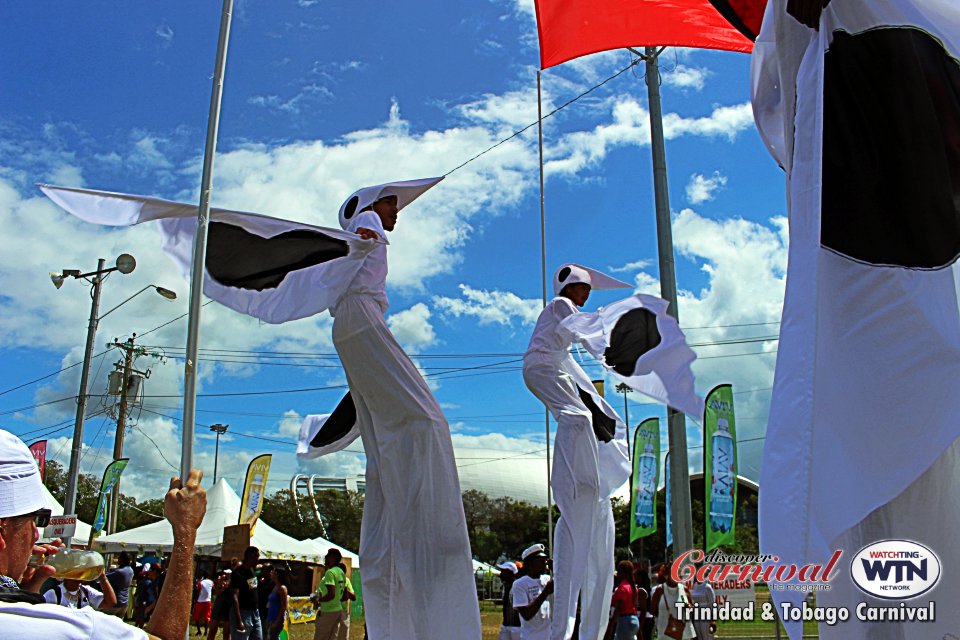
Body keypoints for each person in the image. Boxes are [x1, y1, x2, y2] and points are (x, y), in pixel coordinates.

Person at [329, 179, 482, 639]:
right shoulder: (367, 221)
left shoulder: (363, 230)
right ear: (375, 202)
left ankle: (394, 608)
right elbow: (359, 241)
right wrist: (365, 237)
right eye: (393, 204)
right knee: (428, 423)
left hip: (353, 324)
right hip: (361, 320)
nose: (396, 213)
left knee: (384, 456)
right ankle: (432, 550)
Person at [0, 428, 207, 640]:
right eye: (34, 520)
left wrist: (23, 596)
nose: (36, 534)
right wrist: (185, 531)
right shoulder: (75, 629)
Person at [522, 264, 631, 640]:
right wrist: (612, 353)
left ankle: (583, 472)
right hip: (539, 369)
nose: (585, 294)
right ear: (569, 287)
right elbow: (586, 333)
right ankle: (572, 475)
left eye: (588, 289)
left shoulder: (566, 313)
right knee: (577, 419)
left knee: (586, 415)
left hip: (552, 369)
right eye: (582, 288)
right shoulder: (559, 306)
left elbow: (580, 350)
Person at [512, 544, 553, 640]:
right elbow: (527, 614)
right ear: (530, 563)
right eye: (540, 559)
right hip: (531, 637)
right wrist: (545, 592)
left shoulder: (547, 579)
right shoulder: (520, 584)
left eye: (545, 559)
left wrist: (555, 570)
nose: (545, 562)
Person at [650, 565, 694, 640]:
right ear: (666, 575)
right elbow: (653, 611)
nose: (679, 576)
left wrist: (688, 607)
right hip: (665, 631)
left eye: (679, 573)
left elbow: (691, 609)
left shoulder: (684, 589)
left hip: (682, 631)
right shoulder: (660, 590)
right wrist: (666, 615)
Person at [229, 546, 262, 640]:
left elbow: (253, 589)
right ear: (250, 557)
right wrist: (239, 620)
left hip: (255, 612)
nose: (258, 559)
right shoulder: (238, 573)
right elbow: (234, 596)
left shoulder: (252, 571)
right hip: (243, 613)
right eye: (257, 556)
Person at [312, 549, 346, 640]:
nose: (326, 557)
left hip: (328, 611)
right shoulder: (341, 572)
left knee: (320, 637)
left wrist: (319, 600)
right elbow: (342, 593)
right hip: (338, 610)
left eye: (328, 555)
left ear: (333, 558)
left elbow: (331, 594)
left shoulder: (330, 573)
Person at [43, 571, 117, 610]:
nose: (79, 579)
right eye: (75, 575)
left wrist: (103, 578)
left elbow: (110, 603)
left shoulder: (86, 591)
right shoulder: (54, 593)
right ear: (66, 576)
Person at [608, 561, 639, 640]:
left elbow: (619, 607)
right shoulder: (633, 587)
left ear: (623, 572)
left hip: (624, 621)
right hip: (634, 619)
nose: (617, 573)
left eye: (619, 570)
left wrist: (611, 625)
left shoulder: (622, 587)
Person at [497, 561, 522, 640]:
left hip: (517, 627)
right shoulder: (505, 587)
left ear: (512, 573)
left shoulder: (518, 587)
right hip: (506, 626)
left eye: (504, 572)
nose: (501, 575)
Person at [105, 551, 134, 617]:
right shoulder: (130, 570)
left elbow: (104, 577)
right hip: (124, 602)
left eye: (119, 557)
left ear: (122, 559)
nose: (118, 559)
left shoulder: (118, 572)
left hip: (115, 602)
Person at [688, 573, 716, 640]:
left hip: (706, 614)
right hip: (697, 615)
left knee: (706, 635)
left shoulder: (707, 587)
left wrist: (713, 620)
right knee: (699, 636)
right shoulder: (695, 586)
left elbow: (713, 603)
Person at [208, 570, 233, 640]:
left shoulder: (234, 581)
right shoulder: (221, 581)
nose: (226, 575)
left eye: (228, 573)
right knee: (212, 630)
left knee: (226, 632)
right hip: (219, 605)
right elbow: (216, 593)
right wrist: (221, 585)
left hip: (228, 606)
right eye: (225, 573)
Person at [265, 568, 288, 640]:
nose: (271, 573)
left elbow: (284, 606)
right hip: (270, 618)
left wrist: (277, 621)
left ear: (277, 575)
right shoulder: (275, 587)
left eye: (273, 572)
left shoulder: (282, 588)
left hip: (276, 619)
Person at [193, 569, 215, 636]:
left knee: (196, 617)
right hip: (208, 601)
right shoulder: (211, 582)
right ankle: (206, 632)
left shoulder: (200, 582)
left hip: (200, 601)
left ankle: (199, 631)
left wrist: (195, 600)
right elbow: (213, 589)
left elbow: (198, 591)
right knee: (207, 617)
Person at [634, 566, 653, 640]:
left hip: (644, 620)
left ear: (640, 577)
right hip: (647, 619)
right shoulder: (647, 588)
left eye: (635, 576)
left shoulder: (641, 591)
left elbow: (643, 610)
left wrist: (639, 627)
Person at [336, 562, 354, 640]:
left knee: (343, 635)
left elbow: (353, 596)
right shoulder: (332, 580)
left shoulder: (347, 580)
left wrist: (346, 590)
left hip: (344, 612)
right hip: (333, 611)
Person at [256, 565, 274, 639]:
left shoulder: (273, 583)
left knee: (267, 632)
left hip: (268, 611)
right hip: (259, 610)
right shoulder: (260, 581)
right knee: (261, 632)